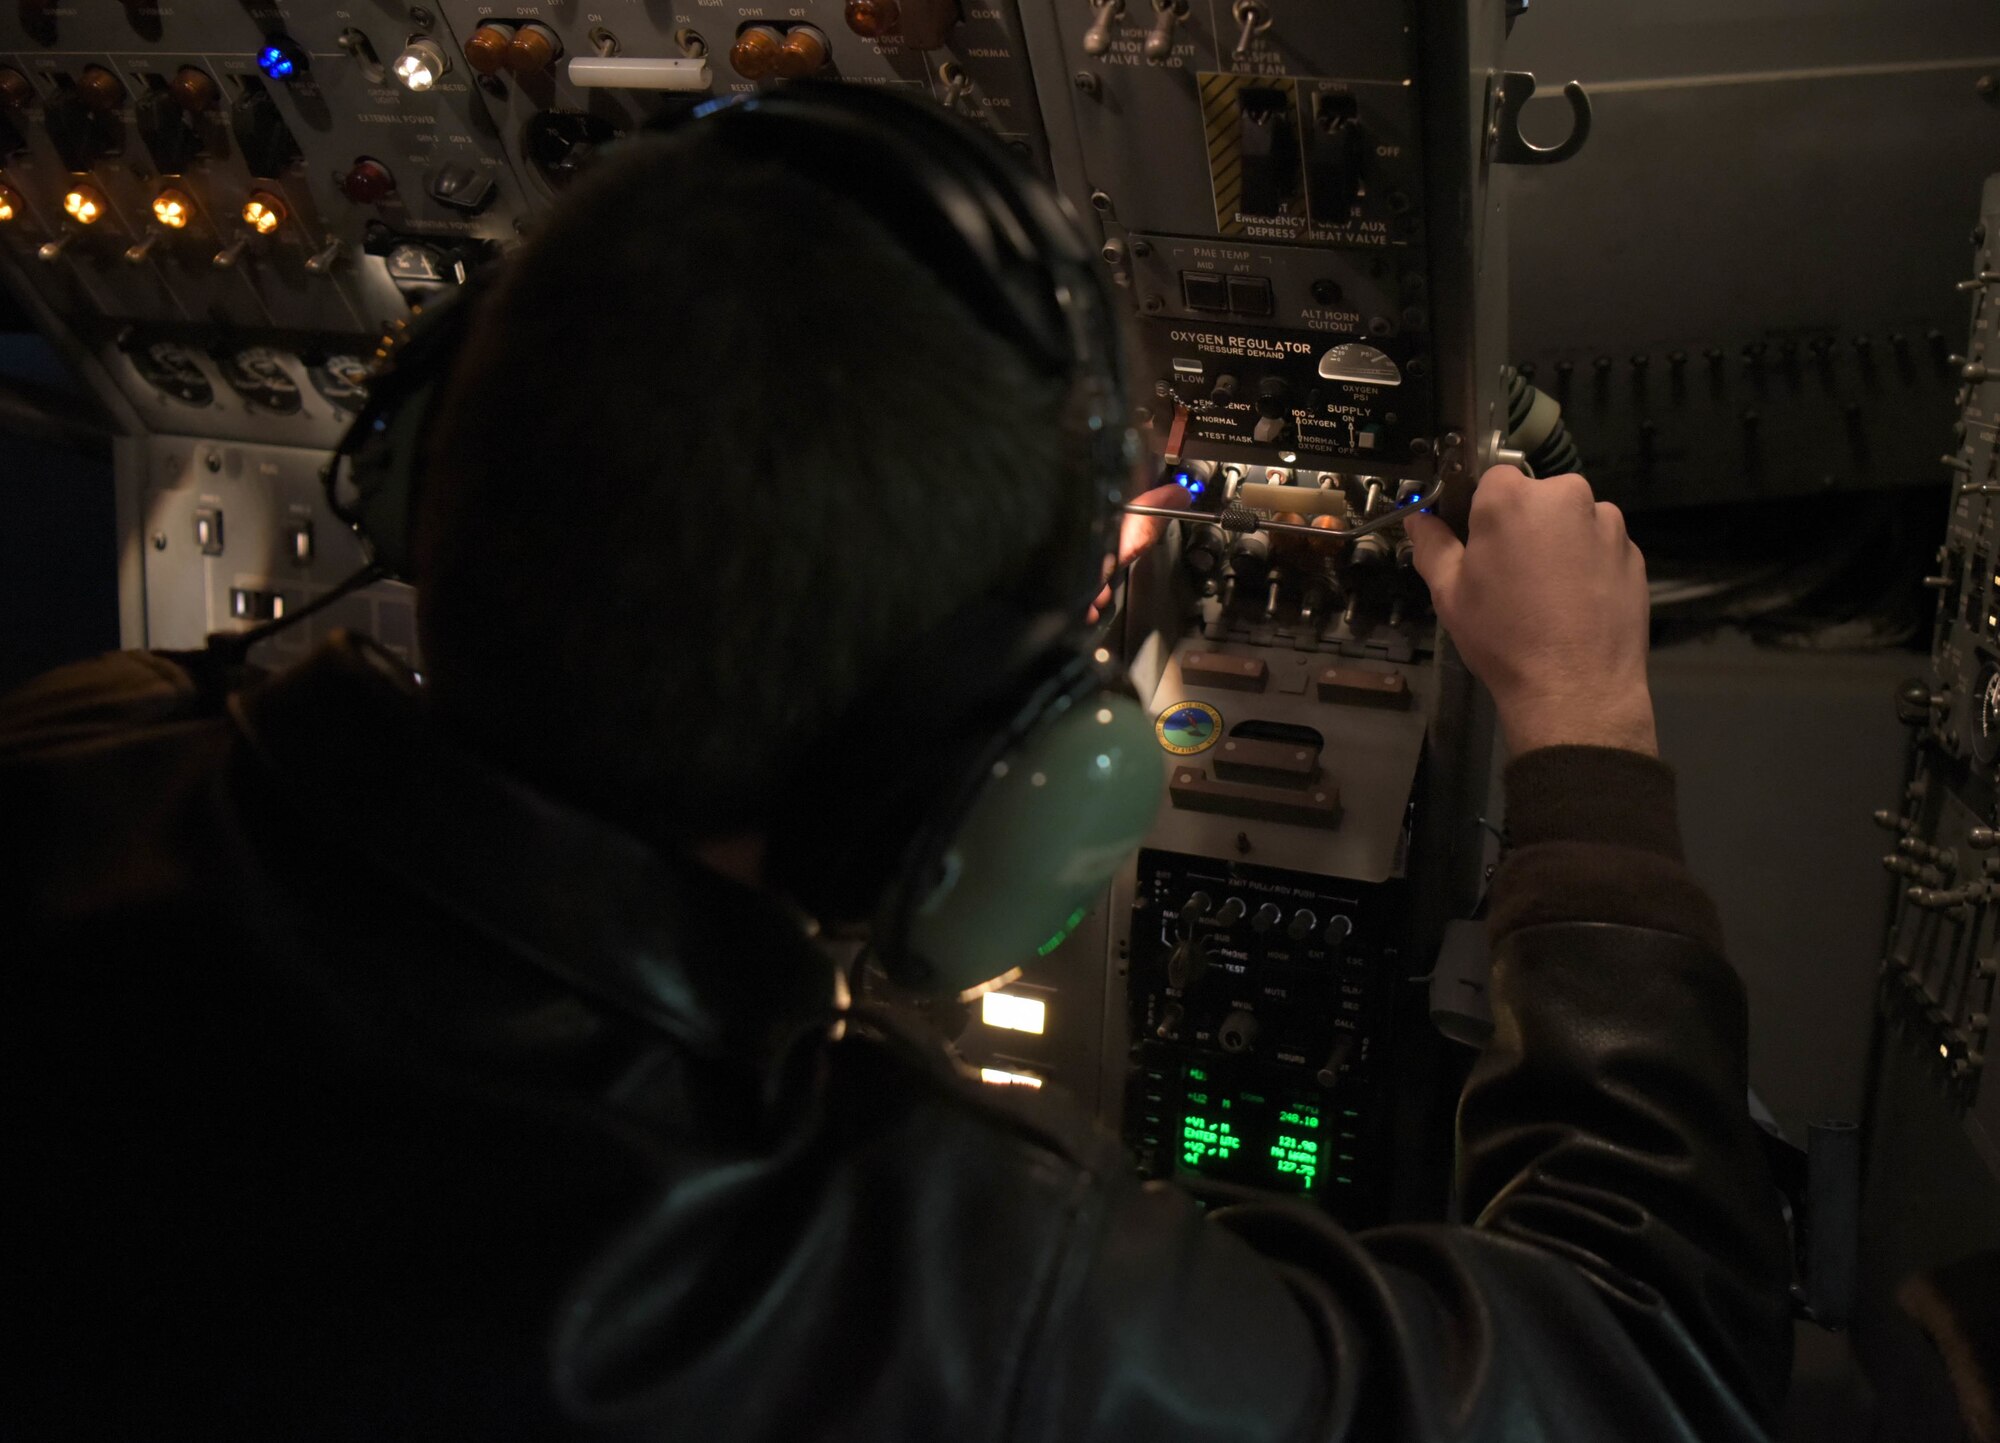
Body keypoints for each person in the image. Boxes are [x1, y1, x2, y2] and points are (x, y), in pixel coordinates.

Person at [0, 96, 1792, 1440]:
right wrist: (1585, 725)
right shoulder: (943, 1300)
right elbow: (1643, 1364)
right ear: (975, 775)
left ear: (419, 472)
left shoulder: (69, 765)